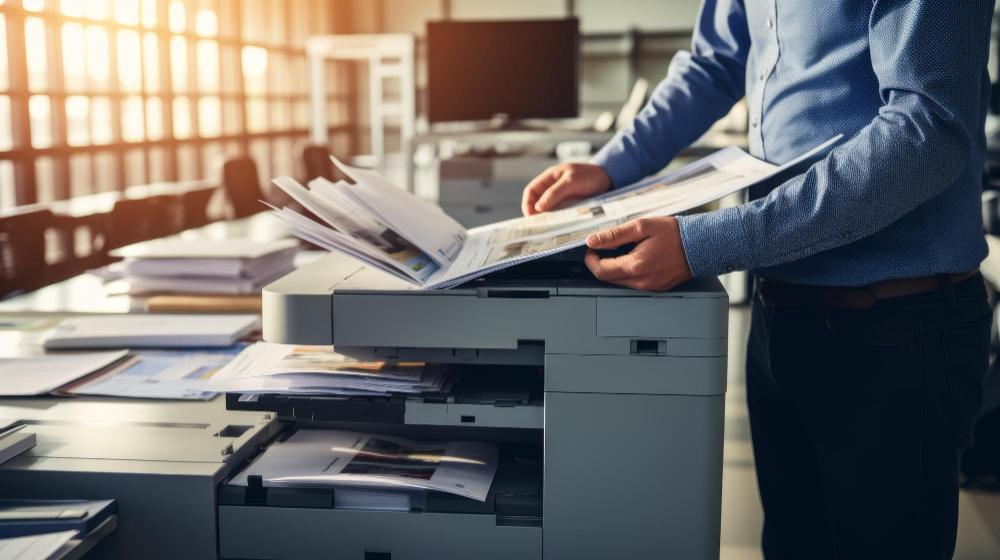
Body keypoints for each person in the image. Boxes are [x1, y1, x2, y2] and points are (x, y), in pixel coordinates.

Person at [521, 1, 995, 558]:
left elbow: (928, 128)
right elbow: (714, 63)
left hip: (895, 331)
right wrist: (612, 165)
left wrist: (704, 244)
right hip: (780, 318)